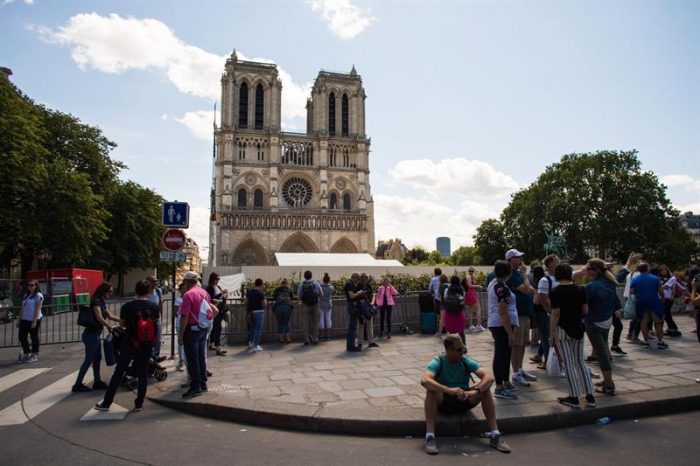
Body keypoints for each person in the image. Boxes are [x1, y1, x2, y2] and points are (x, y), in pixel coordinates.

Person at [421, 334, 511, 455]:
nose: (462, 352)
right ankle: (430, 436)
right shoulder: (438, 361)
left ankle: (495, 434)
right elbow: (425, 380)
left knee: (485, 388)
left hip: (464, 398)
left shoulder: (464, 361)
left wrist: (476, 391)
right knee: (431, 390)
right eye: (459, 350)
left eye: (462, 349)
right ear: (448, 350)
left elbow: (489, 377)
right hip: (444, 401)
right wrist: (448, 390)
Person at [94, 280, 160, 412]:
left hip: (130, 342)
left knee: (118, 373)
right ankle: (139, 404)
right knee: (142, 373)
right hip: (146, 344)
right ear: (148, 291)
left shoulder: (128, 306)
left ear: (136, 290)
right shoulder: (153, 306)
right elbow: (155, 324)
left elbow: (123, 324)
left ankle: (107, 403)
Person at [549, 263, 595, 409]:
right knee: (580, 362)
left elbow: (555, 314)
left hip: (563, 329)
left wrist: (551, 332)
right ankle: (590, 394)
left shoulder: (556, 291)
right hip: (578, 328)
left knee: (568, 363)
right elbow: (585, 310)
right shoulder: (581, 289)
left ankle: (574, 396)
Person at [72, 282, 119, 392]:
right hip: (90, 335)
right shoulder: (96, 301)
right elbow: (99, 317)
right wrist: (109, 326)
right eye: (110, 291)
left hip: (95, 335)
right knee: (89, 360)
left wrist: (122, 321)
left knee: (97, 359)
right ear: (104, 291)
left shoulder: (102, 302)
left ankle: (97, 381)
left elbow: (110, 316)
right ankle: (77, 384)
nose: (111, 294)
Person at [584, 259, 618, 396]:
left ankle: (609, 384)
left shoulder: (591, 286)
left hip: (594, 321)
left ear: (595, 271)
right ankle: (607, 380)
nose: (586, 271)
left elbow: (585, 306)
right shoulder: (610, 282)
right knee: (604, 349)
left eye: (588, 268)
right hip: (607, 319)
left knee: (601, 354)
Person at [178, 271, 215, 398]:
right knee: (200, 357)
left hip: (191, 329)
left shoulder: (188, 295)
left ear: (187, 282)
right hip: (202, 328)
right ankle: (203, 383)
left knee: (192, 359)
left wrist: (180, 335)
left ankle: (195, 386)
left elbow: (184, 316)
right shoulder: (204, 293)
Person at [504, 249, 536, 387]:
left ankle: (520, 369)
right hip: (517, 314)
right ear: (510, 259)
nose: (521, 258)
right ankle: (516, 373)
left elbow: (530, 289)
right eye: (517, 257)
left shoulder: (516, 273)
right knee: (516, 345)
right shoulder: (512, 274)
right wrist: (525, 275)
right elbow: (526, 289)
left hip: (524, 313)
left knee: (522, 343)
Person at [487, 260, 518, 400]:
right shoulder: (502, 288)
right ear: (508, 273)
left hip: (498, 323)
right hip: (501, 325)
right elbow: (503, 311)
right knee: (501, 354)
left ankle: (505, 381)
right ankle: (499, 387)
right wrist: (510, 332)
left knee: (505, 353)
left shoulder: (494, 283)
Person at [630, 262, 667, 350]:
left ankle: (646, 342)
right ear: (647, 268)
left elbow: (631, 292)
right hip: (654, 302)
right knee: (658, 322)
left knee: (643, 322)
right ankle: (660, 342)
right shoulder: (654, 278)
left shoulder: (635, 279)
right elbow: (660, 291)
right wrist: (662, 299)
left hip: (641, 303)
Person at [532, 255, 559, 370]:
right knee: (546, 337)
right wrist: (550, 311)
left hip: (552, 313)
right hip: (544, 313)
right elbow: (539, 300)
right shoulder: (545, 280)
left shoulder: (559, 277)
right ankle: (548, 362)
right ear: (551, 264)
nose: (559, 262)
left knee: (548, 337)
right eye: (557, 261)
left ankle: (541, 356)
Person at [18, 280, 43, 363]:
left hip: (34, 319)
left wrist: (34, 321)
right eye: (28, 285)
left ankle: (34, 354)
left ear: (36, 286)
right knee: (22, 337)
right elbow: (22, 308)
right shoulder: (26, 295)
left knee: (34, 336)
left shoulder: (38, 295)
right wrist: (19, 319)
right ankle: (27, 353)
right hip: (24, 319)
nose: (30, 286)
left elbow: (38, 309)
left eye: (32, 285)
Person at [205, 273, 229, 355]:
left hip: (221, 309)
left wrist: (224, 296)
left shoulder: (218, 287)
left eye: (218, 279)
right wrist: (221, 294)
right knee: (217, 328)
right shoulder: (209, 288)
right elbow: (210, 299)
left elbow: (221, 298)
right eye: (216, 279)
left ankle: (212, 344)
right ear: (213, 279)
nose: (218, 281)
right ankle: (217, 346)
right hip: (215, 310)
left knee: (215, 327)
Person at [297, 270, 321, 346]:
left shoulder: (302, 285)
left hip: (305, 305)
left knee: (305, 323)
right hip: (315, 305)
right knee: (315, 323)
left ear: (304, 276)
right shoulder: (316, 283)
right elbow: (321, 293)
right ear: (311, 275)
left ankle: (306, 339)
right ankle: (315, 339)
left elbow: (299, 296)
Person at [658, 265, 681, 337]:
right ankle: (672, 328)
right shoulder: (659, 279)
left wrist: (673, 295)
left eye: (664, 270)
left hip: (668, 298)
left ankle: (673, 328)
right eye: (662, 271)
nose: (663, 272)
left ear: (667, 270)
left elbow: (668, 287)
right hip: (661, 298)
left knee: (666, 313)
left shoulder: (672, 278)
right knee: (667, 314)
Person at [357, 273, 379, 349]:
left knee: (369, 326)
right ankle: (360, 343)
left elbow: (373, 295)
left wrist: (372, 303)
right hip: (362, 308)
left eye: (366, 278)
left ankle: (371, 342)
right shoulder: (358, 286)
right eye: (363, 278)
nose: (365, 279)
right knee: (361, 326)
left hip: (368, 307)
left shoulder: (368, 286)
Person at [443, 275, 466, 345]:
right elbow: (463, 301)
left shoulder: (447, 290)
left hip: (449, 313)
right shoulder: (461, 290)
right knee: (461, 331)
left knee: (451, 332)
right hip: (459, 313)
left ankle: (451, 348)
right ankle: (463, 347)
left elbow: (445, 299)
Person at [145, 275, 164, 360]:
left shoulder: (158, 291)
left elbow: (160, 304)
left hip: (157, 318)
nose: (155, 283)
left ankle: (156, 356)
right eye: (153, 281)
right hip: (146, 319)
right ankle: (150, 356)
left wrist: (161, 316)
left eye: (156, 281)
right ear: (147, 282)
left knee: (158, 339)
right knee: (148, 338)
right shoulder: (144, 291)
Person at [345, 273, 363, 352]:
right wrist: (359, 293)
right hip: (352, 307)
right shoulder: (349, 284)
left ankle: (351, 345)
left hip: (353, 307)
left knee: (353, 327)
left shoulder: (351, 284)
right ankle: (350, 346)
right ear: (354, 278)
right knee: (352, 327)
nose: (357, 282)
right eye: (357, 279)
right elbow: (351, 296)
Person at [247, 278, 267, 351]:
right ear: (261, 284)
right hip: (259, 311)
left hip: (252, 312)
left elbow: (247, 302)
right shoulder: (260, 293)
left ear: (255, 284)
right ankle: (256, 345)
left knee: (252, 327)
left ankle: (251, 342)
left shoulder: (249, 292)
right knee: (258, 329)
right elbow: (264, 304)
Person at [463, 268, 485, 332]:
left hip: (470, 294)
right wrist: (478, 286)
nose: (471, 272)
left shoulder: (470, 277)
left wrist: (476, 286)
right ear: (469, 271)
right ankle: (478, 325)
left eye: (472, 271)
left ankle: (471, 326)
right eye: (470, 271)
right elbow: (469, 285)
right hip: (471, 294)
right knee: (478, 308)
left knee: (471, 310)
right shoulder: (469, 277)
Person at [274, 279, 294, 343]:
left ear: (281, 283)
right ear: (287, 283)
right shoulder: (289, 289)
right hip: (287, 306)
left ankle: (281, 339)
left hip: (278, 306)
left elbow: (274, 297)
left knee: (280, 322)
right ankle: (288, 338)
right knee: (286, 322)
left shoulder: (277, 289)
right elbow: (292, 297)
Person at [173, 283, 186, 371]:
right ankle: (181, 360)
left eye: (186, 288)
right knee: (181, 342)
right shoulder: (178, 299)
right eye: (183, 289)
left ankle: (186, 360)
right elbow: (174, 313)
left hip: (188, 323)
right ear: (180, 290)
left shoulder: (189, 298)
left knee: (187, 342)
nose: (184, 290)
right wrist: (181, 317)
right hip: (179, 323)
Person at [318, 273, 334, 341]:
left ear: (323, 280)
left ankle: (321, 336)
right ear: (329, 280)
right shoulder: (331, 287)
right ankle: (327, 335)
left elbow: (318, 294)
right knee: (328, 319)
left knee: (321, 319)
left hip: (321, 304)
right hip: (328, 304)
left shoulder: (320, 287)